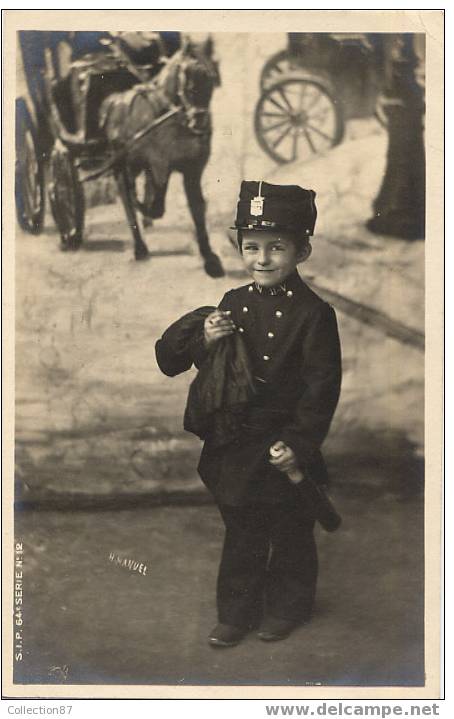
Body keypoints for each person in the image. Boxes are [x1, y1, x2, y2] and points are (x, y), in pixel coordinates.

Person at [155, 181, 342, 647]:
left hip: (283, 442)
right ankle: (237, 613)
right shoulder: (234, 302)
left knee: (291, 529)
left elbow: (322, 390)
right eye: (251, 246)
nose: (262, 258)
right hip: (238, 441)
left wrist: (298, 444)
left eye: (277, 247)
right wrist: (208, 340)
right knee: (242, 528)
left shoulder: (315, 314)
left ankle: (288, 607)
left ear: (303, 250)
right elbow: (213, 371)